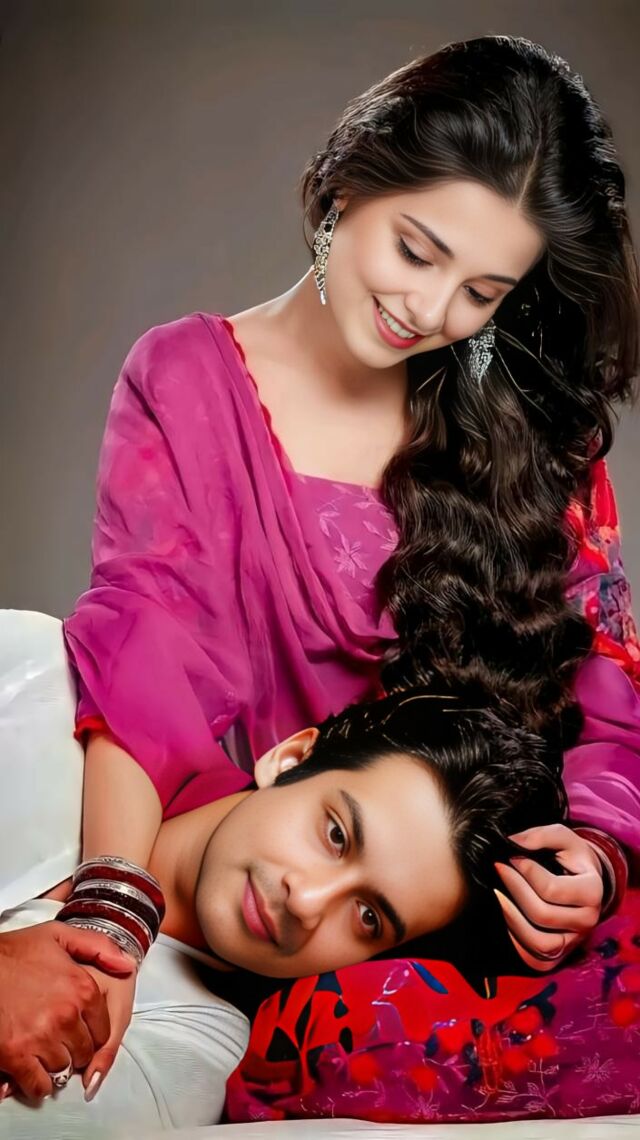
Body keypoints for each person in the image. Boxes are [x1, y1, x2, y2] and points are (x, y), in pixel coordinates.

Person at [14, 29, 640, 1102]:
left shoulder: (532, 440)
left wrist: (593, 854)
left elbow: (608, 687)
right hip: (258, 883)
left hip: (446, 903)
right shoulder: (188, 377)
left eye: (482, 292)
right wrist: (112, 907)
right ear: (352, 180)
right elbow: (146, 639)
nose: (429, 312)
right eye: (417, 251)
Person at [0, 685, 566, 1133]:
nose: (308, 901)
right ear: (290, 757)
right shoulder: (38, 691)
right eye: (336, 835)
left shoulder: (194, 1054)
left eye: (368, 917)